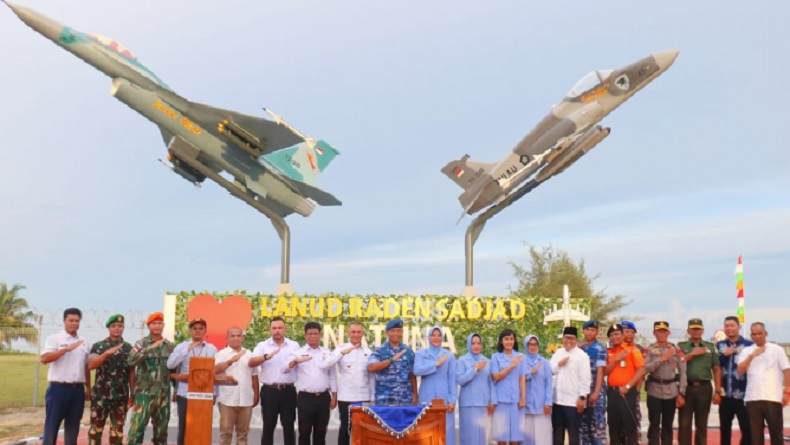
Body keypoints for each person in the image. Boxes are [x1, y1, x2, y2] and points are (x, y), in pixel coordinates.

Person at [40, 307, 91, 445]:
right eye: (71, 320)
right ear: (64, 321)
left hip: (77, 391)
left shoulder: (84, 341)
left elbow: (86, 366)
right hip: (58, 389)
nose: (74, 323)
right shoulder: (54, 339)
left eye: (77, 320)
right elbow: (44, 359)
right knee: (52, 425)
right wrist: (66, 349)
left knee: (73, 427)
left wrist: (88, 388)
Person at [736, 322, 790, 445]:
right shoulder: (747, 351)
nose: (757, 336)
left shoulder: (777, 350)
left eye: (760, 333)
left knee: (776, 434)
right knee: (755, 437)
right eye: (754, 334)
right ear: (751, 335)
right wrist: (752, 356)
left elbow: (787, 370)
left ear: (766, 333)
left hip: (772, 397)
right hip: (753, 398)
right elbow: (740, 370)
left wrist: (787, 391)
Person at [249, 316, 300, 445]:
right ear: (270, 330)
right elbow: (251, 362)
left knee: (289, 427)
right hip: (269, 391)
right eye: (274, 328)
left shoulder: (294, 345)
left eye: (280, 328)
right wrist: (266, 357)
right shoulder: (262, 346)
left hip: (288, 391)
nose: (277, 331)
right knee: (268, 426)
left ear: (285, 329)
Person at [320, 322, 374, 445]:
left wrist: (372, 398)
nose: (356, 334)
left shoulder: (368, 352)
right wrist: (342, 353)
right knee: (345, 429)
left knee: (364, 429)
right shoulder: (341, 349)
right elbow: (326, 364)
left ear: (362, 334)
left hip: (363, 397)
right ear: (348, 333)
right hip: (346, 397)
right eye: (353, 332)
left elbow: (371, 377)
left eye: (358, 332)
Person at [167, 317, 218, 445]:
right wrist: (187, 350)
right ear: (190, 331)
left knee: (202, 427)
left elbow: (214, 373)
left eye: (201, 329)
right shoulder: (182, 346)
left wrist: (214, 393)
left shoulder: (212, 349)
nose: (198, 331)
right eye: (195, 328)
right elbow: (170, 364)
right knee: (184, 427)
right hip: (185, 393)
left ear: (205, 331)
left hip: (204, 395)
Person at [127, 312, 175, 445]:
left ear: (163, 325)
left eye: (160, 323)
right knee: (137, 429)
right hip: (144, 395)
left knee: (161, 432)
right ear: (148, 326)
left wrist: (175, 389)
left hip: (163, 394)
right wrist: (149, 349)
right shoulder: (141, 343)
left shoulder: (169, 346)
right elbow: (131, 361)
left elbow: (174, 370)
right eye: (154, 323)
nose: (157, 326)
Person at [288, 322, 337, 445]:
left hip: (323, 397)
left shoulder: (327, 353)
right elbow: (285, 368)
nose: (313, 336)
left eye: (315, 333)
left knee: (320, 433)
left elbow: (332, 375)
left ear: (320, 335)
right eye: (310, 334)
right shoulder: (298, 353)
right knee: (304, 432)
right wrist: (295, 361)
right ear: (305, 335)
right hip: (305, 398)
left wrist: (334, 396)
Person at [87, 314, 133, 445]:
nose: (117, 328)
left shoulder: (128, 348)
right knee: (95, 431)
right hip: (101, 397)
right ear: (108, 328)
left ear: (123, 328)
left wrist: (132, 392)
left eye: (120, 326)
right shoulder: (99, 346)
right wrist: (106, 354)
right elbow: (91, 365)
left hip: (120, 397)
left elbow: (131, 372)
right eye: (113, 326)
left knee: (117, 433)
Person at [677, 318, 722, 445]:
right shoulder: (681, 346)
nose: (696, 331)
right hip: (686, 388)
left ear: (702, 330)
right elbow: (676, 364)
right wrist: (692, 354)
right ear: (688, 331)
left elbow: (717, 369)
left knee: (702, 424)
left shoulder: (710, 347)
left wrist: (718, 391)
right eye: (693, 329)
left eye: (698, 329)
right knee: (684, 424)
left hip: (704, 388)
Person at [644, 321, 687, 445]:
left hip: (671, 391)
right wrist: (662, 359)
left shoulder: (675, 349)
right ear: (654, 333)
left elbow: (683, 371)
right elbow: (645, 368)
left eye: (664, 331)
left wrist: (681, 392)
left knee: (668, 425)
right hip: (654, 390)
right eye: (659, 331)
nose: (661, 334)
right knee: (654, 424)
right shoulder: (650, 349)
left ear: (668, 332)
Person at [215, 327, 260, 445]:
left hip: (246, 400)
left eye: (238, 335)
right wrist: (231, 361)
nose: (236, 338)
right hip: (227, 400)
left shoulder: (249, 354)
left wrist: (256, 394)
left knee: (243, 434)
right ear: (227, 338)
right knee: (225, 433)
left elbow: (254, 375)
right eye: (232, 336)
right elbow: (215, 370)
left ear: (243, 338)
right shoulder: (221, 354)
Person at [414, 326, 457, 445]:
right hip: (426, 398)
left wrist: (452, 400)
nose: (436, 338)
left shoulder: (448, 355)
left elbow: (452, 379)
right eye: (433, 335)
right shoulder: (422, 353)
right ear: (428, 337)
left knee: (445, 433)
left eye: (439, 335)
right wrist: (435, 364)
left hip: (444, 400)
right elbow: (417, 370)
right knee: (426, 433)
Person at [549, 326, 591, 445]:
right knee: (557, 433)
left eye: (572, 338)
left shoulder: (582, 356)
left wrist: (582, 398)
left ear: (576, 339)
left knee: (573, 434)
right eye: (566, 338)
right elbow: (550, 370)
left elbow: (585, 379)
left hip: (573, 403)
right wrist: (559, 364)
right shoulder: (558, 353)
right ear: (562, 338)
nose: (569, 341)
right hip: (557, 401)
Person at [605, 323, 646, 445]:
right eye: (611, 335)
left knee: (629, 428)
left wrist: (628, 386)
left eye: (617, 334)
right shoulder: (608, 351)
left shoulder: (633, 350)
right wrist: (616, 359)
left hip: (627, 393)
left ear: (623, 335)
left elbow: (642, 370)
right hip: (612, 393)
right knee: (614, 427)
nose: (614, 337)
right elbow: (605, 371)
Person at [716, 316, 752, 445]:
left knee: (747, 429)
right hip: (725, 395)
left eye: (732, 325)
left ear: (739, 327)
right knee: (725, 429)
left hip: (744, 395)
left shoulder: (749, 345)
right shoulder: (719, 345)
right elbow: (715, 366)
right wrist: (724, 355)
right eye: (727, 326)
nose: (729, 328)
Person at [457, 332, 497, 445]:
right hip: (468, 404)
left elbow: (491, 382)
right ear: (469, 344)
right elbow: (460, 380)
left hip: (484, 404)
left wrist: (492, 402)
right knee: (468, 436)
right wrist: (474, 369)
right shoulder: (462, 360)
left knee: (482, 437)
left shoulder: (487, 361)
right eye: (473, 343)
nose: (476, 346)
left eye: (478, 343)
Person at [367, 318, 418, 405]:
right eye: (393, 331)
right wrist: (391, 360)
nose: (396, 334)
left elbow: (412, 375)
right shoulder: (379, 351)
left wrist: (415, 396)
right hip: (384, 400)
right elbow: (371, 368)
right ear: (387, 332)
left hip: (405, 399)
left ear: (402, 333)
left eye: (399, 331)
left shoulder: (408, 351)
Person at [490, 328, 525, 445]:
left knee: (515, 435)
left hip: (515, 401)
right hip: (500, 400)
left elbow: (522, 378)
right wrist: (511, 365)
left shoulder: (520, 356)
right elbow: (496, 377)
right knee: (502, 436)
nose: (509, 342)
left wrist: (523, 398)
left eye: (511, 339)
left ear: (514, 341)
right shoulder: (495, 357)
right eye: (506, 339)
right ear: (501, 341)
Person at [579, 320, 607, 445]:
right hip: (582, 393)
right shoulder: (580, 348)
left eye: (593, 330)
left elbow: (600, 371)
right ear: (583, 331)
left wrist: (596, 392)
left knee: (597, 427)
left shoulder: (599, 348)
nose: (590, 332)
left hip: (596, 393)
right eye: (587, 329)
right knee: (584, 428)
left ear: (596, 332)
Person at [522, 335, 552, 445]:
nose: (533, 347)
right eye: (530, 344)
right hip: (526, 406)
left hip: (541, 405)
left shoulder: (544, 362)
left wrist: (548, 402)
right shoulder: (521, 361)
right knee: (527, 436)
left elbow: (549, 383)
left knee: (542, 437)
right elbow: (517, 380)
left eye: (535, 344)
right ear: (526, 345)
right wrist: (530, 373)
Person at [621, 320, 647, 441]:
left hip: (632, 391)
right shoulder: (612, 348)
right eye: (627, 332)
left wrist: (637, 392)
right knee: (617, 423)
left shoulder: (639, 349)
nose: (630, 334)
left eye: (632, 332)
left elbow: (641, 373)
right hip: (616, 391)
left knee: (634, 420)